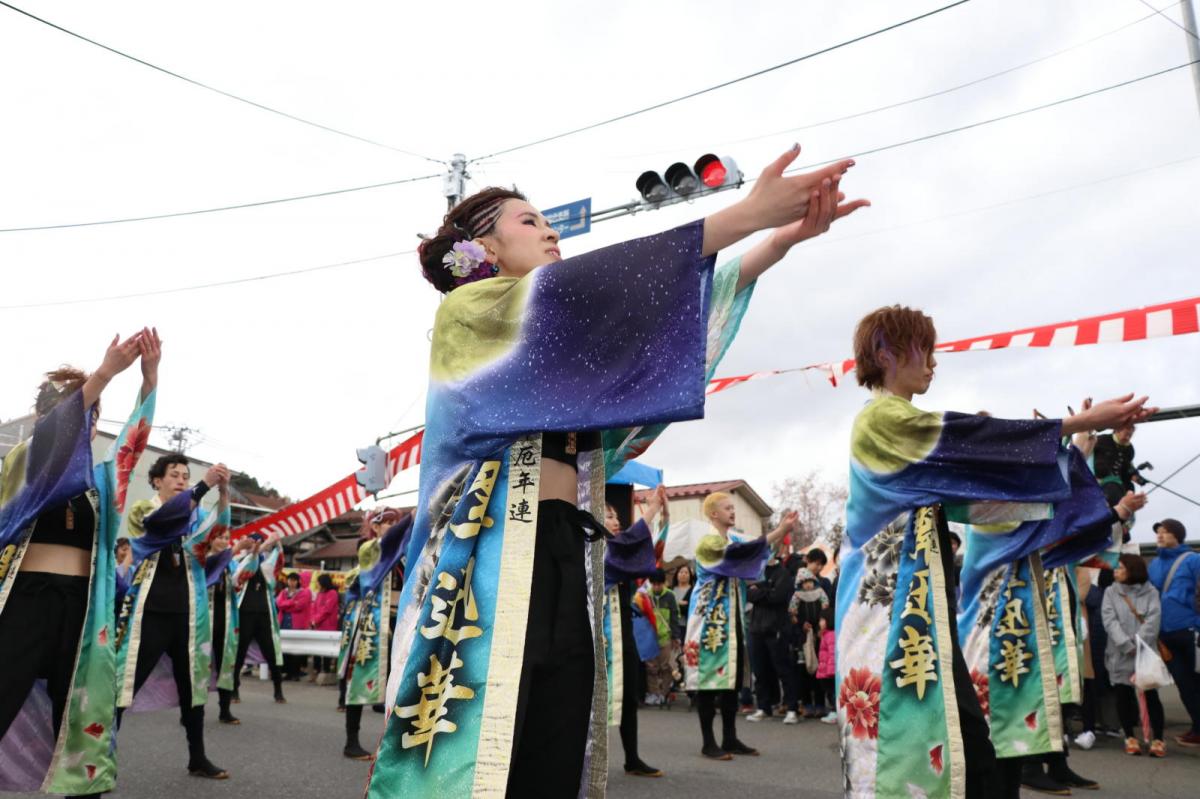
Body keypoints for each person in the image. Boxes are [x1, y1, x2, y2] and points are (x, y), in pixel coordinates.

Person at [367, 145, 867, 798]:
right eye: (528, 221)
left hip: (558, 547)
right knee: (481, 743)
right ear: (481, 247)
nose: (549, 230)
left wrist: (777, 240)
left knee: (555, 725)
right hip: (484, 559)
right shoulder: (470, 314)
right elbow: (598, 294)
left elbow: (656, 314)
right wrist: (743, 214)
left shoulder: (560, 335)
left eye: (547, 220)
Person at [839, 304, 1154, 799]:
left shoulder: (902, 434)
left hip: (921, 624)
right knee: (915, 760)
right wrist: (1078, 428)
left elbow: (999, 498)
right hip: (890, 625)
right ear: (886, 352)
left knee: (968, 759)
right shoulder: (883, 420)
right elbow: (979, 451)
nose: (934, 363)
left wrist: (1086, 453)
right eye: (927, 350)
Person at [0, 330, 158, 797]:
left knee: (82, 716)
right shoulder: (24, 460)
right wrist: (104, 373)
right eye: (84, 412)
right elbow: (55, 437)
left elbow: (129, 447)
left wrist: (149, 381)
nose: (89, 422)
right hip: (24, 602)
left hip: (84, 610)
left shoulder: (101, 482)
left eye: (93, 416)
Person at [115, 451, 233, 780]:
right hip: (149, 611)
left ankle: (197, 757)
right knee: (124, 687)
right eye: (174, 475)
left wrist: (222, 492)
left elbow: (219, 534)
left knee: (192, 688)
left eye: (185, 475)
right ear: (156, 480)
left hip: (188, 613)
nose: (181, 480)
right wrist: (201, 487)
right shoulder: (144, 510)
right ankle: (101, 757)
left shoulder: (195, 515)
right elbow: (165, 524)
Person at [686, 491, 798, 759]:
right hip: (710, 622)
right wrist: (779, 529)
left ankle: (730, 737)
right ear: (714, 514)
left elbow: (757, 558)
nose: (732, 512)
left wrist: (779, 536)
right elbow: (743, 554)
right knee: (708, 681)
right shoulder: (708, 542)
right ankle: (708, 741)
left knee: (731, 681)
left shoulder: (734, 539)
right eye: (727, 508)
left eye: (732, 507)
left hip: (732, 619)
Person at [601, 490, 666, 779]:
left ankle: (632, 758)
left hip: (621, 632)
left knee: (627, 693)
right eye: (609, 515)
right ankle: (585, 762)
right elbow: (626, 547)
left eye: (616, 515)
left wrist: (662, 514)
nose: (616, 520)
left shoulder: (615, 547)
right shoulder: (593, 548)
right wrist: (651, 509)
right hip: (598, 637)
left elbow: (647, 554)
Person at [340, 509, 410, 761]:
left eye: (395, 521)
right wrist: (408, 520)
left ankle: (395, 743)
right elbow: (386, 548)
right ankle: (351, 741)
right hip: (371, 623)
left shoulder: (403, 552)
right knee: (360, 682)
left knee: (400, 681)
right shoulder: (368, 549)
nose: (391, 526)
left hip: (397, 621)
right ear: (375, 527)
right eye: (386, 522)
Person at [1102, 554, 1167, 757]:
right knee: (1123, 694)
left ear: (1132, 570)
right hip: (1119, 653)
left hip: (1144, 652)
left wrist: (1138, 643)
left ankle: (1158, 739)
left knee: (1151, 695)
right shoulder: (1111, 592)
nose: (1116, 571)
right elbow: (1109, 620)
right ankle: (1130, 736)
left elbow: (1154, 620)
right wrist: (1125, 644)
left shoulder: (1151, 592)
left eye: (1120, 568)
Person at [1147, 518, 1200, 747]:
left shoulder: (1194, 560)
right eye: (1158, 532)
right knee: (1183, 683)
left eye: (1166, 532)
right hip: (1165, 634)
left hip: (1191, 630)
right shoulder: (1154, 565)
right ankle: (1197, 728)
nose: (1160, 535)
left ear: (1178, 535)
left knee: (1197, 681)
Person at [231, 533, 287, 703]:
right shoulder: (240, 560)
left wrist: (277, 544)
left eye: (258, 542)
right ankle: (234, 689)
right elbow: (243, 572)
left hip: (264, 613)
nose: (254, 545)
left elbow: (275, 566)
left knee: (271, 652)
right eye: (252, 542)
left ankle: (278, 689)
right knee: (239, 653)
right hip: (244, 613)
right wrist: (258, 549)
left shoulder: (267, 563)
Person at [745, 547, 799, 724]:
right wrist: (765, 590)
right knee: (760, 671)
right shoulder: (756, 572)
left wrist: (759, 591)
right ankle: (763, 707)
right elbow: (749, 593)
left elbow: (778, 596)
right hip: (755, 628)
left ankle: (792, 708)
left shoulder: (782, 573)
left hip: (776, 628)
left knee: (783, 669)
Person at [208, 527, 253, 725]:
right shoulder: (201, 559)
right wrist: (235, 549)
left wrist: (254, 553)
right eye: (220, 537)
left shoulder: (230, 563)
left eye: (227, 538)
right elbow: (211, 569)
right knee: (198, 666)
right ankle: (190, 711)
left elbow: (239, 580)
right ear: (210, 539)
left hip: (225, 620)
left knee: (227, 663)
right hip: (204, 620)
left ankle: (224, 710)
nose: (223, 541)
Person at [788, 566, 829, 718]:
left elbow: (826, 610)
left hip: (819, 636)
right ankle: (807, 704)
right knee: (803, 671)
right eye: (804, 582)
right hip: (803, 638)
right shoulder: (796, 596)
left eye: (810, 581)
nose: (808, 585)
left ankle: (820, 704)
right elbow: (792, 615)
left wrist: (821, 625)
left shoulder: (820, 594)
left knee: (819, 670)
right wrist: (801, 624)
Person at [643, 568, 681, 707]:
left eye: (659, 584)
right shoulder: (646, 596)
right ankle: (653, 693)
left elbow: (675, 617)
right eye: (654, 584)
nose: (657, 587)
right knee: (651, 667)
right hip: (650, 637)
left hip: (666, 637)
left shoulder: (670, 596)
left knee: (666, 667)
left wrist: (676, 637)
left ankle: (663, 694)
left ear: (664, 583)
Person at [1091, 423, 1143, 506]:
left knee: (1130, 490)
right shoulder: (1101, 440)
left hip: (1119, 483)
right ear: (1117, 430)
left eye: (1130, 435)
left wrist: (1136, 476)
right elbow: (1084, 453)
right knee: (1112, 491)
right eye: (1126, 434)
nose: (1128, 438)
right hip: (1100, 480)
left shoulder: (1130, 450)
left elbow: (1127, 468)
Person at [277, 570, 313, 680]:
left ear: (298, 582)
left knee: (296, 650)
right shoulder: (284, 592)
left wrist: (287, 604)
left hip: (297, 623)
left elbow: (300, 606)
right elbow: (279, 603)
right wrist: (292, 602)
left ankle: (295, 673)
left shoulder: (305, 592)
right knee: (285, 648)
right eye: (290, 580)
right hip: (284, 622)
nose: (291, 583)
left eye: (294, 580)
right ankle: (287, 672)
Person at [311, 573, 341, 679]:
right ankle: (317, 669)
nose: (317, 584)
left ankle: (326, 670)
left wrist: (316, 620)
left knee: (327, 649)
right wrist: (313, 620)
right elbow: (314, 607)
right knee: (316, 649)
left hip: (328, 625)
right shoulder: (319, 593)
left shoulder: (332, 593)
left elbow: (327, 610)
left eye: (318, 582)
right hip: (317, 626)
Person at [816, 606, 837, 723]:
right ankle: (834, 712)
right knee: (830, 693)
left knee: (832, 693)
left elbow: (833, 654)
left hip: (829, 672)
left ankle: (835, 713)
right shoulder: (826, 634)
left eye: (821, 620)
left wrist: (830, 671)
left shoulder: (831, 635)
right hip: (827, 670)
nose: (820, 622)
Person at [672, 563, 694, 636]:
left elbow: (690, 608)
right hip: (671, 625)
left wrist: (675, 604)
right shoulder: (671, 589)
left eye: (686, 572)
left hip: (686, 626)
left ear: (690, 575)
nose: (683, 574)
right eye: (681, 572)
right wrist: (679, 603)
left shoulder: (693, 591)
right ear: (677, 575)